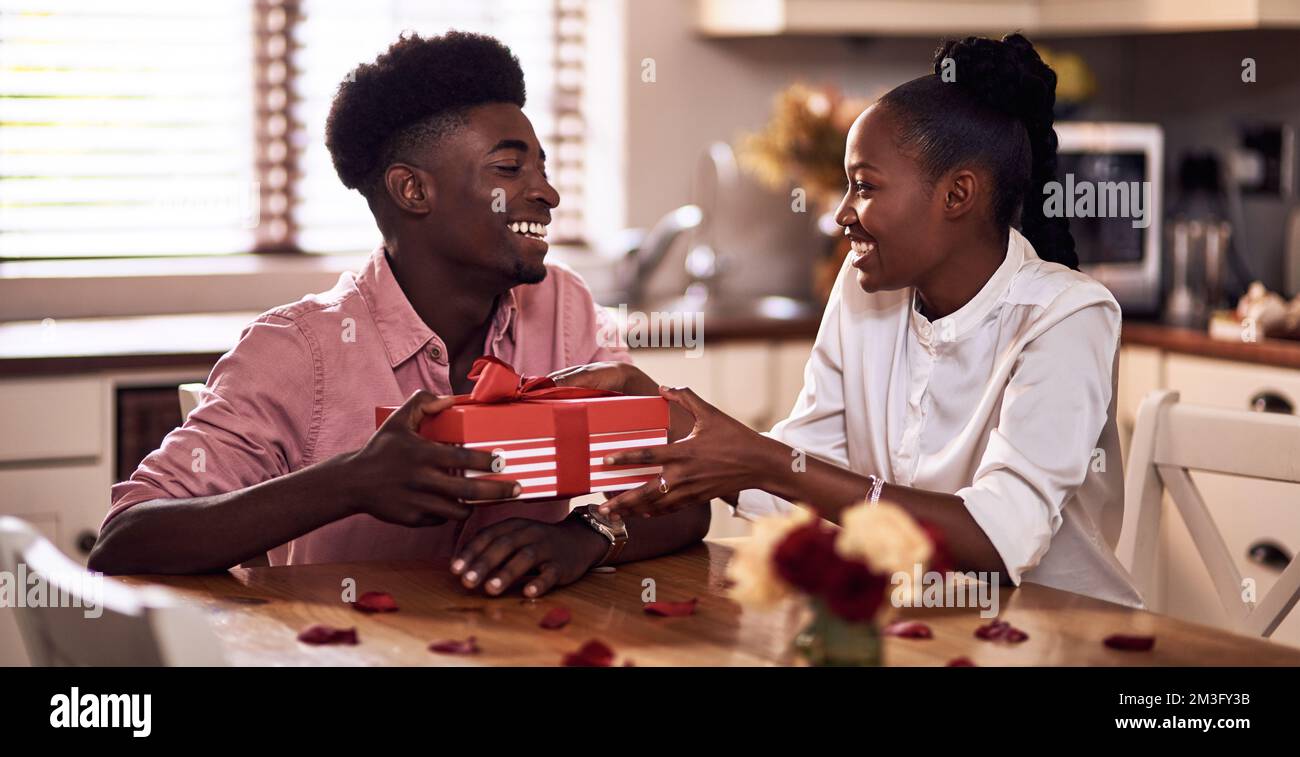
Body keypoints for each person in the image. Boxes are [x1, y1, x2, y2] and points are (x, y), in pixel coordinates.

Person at [88, 31, 710, 597]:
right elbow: (124, 541)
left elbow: (685, 498)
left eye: (542, 168)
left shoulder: (563, 308)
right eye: (509, 168)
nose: (546, 192)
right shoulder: (299, 350)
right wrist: (351, 482)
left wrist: (585, 537)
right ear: (413, 190)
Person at [553, 34, 1143, 607]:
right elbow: (807, 474)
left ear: (957, 194)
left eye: (864, 186)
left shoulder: (1067, 316)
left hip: (1064, 632)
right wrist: (656, 411)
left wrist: (764, 462)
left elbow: (998, 539)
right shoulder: (866, 289)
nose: (841, 214)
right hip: (925, 625)